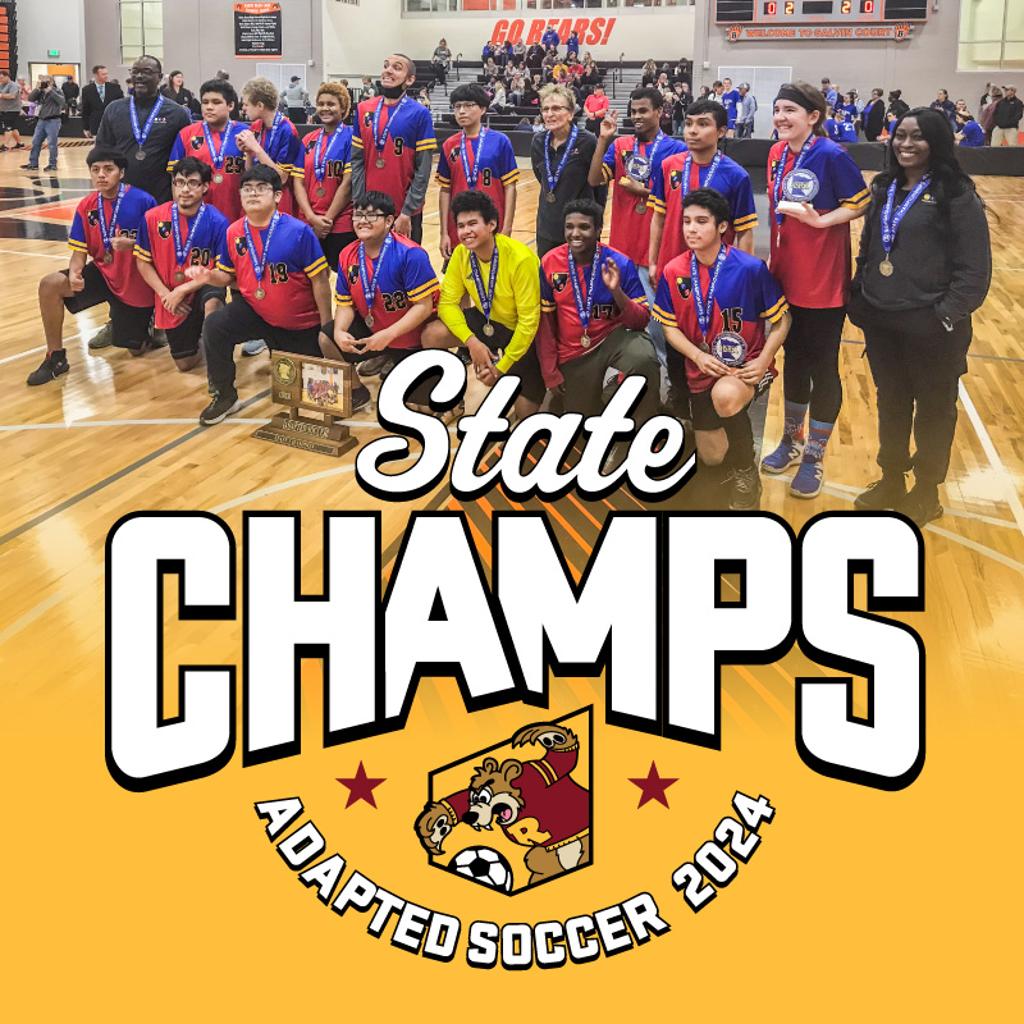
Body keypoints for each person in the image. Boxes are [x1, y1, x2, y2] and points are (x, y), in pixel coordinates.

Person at [849, 108, 991, 526]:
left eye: (917, 137)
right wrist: (861, 295)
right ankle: (891, 478)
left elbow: (974, 271)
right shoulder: (884, 186)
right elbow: (870, 248)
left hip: (934, 329)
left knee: (933, 410)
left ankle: (926, 490)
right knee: (891, 404)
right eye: (900, 135)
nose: (906, 144)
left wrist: (944, 316)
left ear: (937, 142)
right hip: (883, 323)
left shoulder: (956, 193)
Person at [760, 82, 869, 498]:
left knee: (823, 366)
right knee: (794, 361)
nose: (781, 117)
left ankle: (815, 457)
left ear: (813, 117)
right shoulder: (775, 154)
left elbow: (859, 201)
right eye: (778, 109)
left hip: (823, 281)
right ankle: (791, 441)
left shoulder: (831, 154)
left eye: (790, 110)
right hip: (785, 276)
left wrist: (823, 222)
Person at [653, 188, 791, 509]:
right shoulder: (674, 271)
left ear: (722, 227)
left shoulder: (749, 269)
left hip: (744, 368)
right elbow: (669, 327)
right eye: (687, 221)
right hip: (701, 369)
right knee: (712, 457)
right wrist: (698, 355)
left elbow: (783, 322)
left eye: (701, 221)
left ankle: (746, 471)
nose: (691, 228)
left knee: (726, 399)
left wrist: (765, 359)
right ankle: (736, 442)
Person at [193, 164, 334, 425]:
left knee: (310, 393)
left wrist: (326, 327)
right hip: (255, 311)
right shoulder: (234, 232)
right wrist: (209, 276)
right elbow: (227, 276)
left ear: (278, 196)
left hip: (298, 322)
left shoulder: (298, 231)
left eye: (261, 188)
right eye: (247, 189)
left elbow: (320, 281)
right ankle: (224, 395)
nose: (253, 194)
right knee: (215, 325)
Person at [27, 148, 156, 386]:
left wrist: (134, 244)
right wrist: (75, 272)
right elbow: (79, 252)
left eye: (108, 169)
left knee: (135, 350)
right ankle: (55, 357)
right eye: (95, 170)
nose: (101, 175)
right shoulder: (87, 205)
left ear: (122, 172)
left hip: (135, 280)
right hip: (102, 274)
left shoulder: (143, 201)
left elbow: (160, 248)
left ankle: (151, 323)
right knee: (50, 284)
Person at [422, 190, 544, 420]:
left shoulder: (521, 259)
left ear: (491, 225)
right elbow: (447, 304)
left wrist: (500, 368)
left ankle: (542, 390)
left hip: (520, 333)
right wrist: (472, 342)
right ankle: (451, 400)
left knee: (524, 416)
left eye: (472, 224)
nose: (466, 232)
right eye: (460, 226)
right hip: (486, 321)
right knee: (432, 334)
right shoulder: (460, 254)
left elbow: (529, 324)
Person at [537, 199, 659, 425]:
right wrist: (550, 371)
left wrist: (617, 292)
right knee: (581, 423)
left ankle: (645, 425)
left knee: (643, 355)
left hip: (612, 342)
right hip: (574, 353)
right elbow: (545, 324)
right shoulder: (550, 263)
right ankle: (608, 391)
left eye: (584, 227)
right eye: (569, 227)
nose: (575, 233)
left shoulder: (619, 263)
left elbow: (641, 321)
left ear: (598, 231)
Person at [588, 88, 686, 370]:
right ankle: (624, 373)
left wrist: (642, 190)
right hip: (621, 248)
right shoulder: (620, 146)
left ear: (659, 112)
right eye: (633, 111)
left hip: (655, 252)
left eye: (643, 110)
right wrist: (603, 139)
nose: (637, 116)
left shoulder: (676, 150)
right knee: (620, 315)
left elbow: (675, 198)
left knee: (656, 320)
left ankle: (663, 378)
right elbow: (595, 179)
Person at [324, 190, 440, 409]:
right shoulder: (347, 254)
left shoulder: (410, 254)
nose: (363, 221)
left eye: (371, 216)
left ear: (389, 221)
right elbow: (345, 304)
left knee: (417, 408)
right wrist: (340, 331)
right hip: (375, 331)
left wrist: (388, 335)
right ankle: (357, 392)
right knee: (327, 338)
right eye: (358, 215)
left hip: (411, 339)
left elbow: (423, 307)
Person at [133, 157, 229, 373]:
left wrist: (183, 289)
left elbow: (221, 272)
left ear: (205, 187)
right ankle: (203, 341)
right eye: (179, 182)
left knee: (213, 300)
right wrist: (166, 295)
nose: (185, 189)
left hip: (202, 285)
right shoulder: (152, 218)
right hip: (169, 293)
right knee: (184, 364)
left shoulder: (218, 222)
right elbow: (143, 262)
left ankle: (218, 354)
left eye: (193, 183)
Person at [352, 54, 436, 245]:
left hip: (404, 212)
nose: (388, 70)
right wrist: (359, 204)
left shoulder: (419, 113)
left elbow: (422, 170)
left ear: (410, 79)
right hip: (369, 208)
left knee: (405, 268)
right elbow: (357, 161)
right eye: (386, 65)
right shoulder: (363, 108)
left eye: (397, 67)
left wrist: (407, 211)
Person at [436, 83, 518, 262]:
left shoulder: (500, 141)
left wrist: (507, 228)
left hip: (491, 223)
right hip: (459, 227)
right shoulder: (449, 145)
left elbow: (510, 187)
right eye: (457, 107)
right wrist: (444, 233)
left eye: (468, 105)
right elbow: (445, 190)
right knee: (460, 282)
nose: (462, 111)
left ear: (482, 109)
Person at [95, 54, 191, 203]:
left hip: (162, 196)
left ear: (159, 77)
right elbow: (102, 151)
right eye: (135, 71)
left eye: (146, 71)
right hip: (121, 195)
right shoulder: (114, 109)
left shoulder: (177, 113)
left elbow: (185, 158)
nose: (139, 76)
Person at [292, 82, 355, 269]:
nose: (325, 108)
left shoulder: (352, 137)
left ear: (343, 107)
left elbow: (348, 184)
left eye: (331, 104)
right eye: (321, 104)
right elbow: (298, 181)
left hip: (340, 221)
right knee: (312, 277)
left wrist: (327, 220)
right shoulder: (308, 140)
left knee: (344, 274)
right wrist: (312, 218)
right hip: (309, 221)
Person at [531, 84, 598, 257]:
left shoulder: (588, 142)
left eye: (556, 108)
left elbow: (599, 186)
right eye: (545, 109)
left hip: (579, 228)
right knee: (548, 278)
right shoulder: (538, 142)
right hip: (547, 226)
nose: (549, 114)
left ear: (570, 113)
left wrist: (596, 222)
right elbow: (542, 178)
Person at [168, 79, 246, 225]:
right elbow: (175, 178)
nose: (209, 107)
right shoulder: (186, 134)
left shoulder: (245, 133)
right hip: (196, 213)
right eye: (205, 102)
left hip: (236, 213)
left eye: (216, 102)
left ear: (230, 105)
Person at [237, 76, 301, 217]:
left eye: (246, 104)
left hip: (278, 198)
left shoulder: (288, 130)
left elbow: (281, 178)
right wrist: (248, 151)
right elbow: (250, 170)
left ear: (260, 105)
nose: (243, 109)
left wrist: (256, 148)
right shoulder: (256, 126)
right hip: (256, 194)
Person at [22, 77, 65, 172]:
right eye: (43, 81)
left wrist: (50, 91)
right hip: (41, 120)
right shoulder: (40, 92)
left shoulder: (58, 91)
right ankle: (33, 163)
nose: (45, 83)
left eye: (47, 81)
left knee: (52, 144)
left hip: (53, 120)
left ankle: (52, 164)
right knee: (35, 142)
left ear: (52, 82)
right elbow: (30, 99)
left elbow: (62, 102)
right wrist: (37, 88)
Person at [80, 65, 123, 138]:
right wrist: (86, 127)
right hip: (96, 126)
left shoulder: (115, 88)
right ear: (96, 75)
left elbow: (121, 107)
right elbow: (86, 110)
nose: (106, 76)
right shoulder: (87, 90)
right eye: (103, 74)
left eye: (107, 73)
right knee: (98, 148)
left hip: (113, 125)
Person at [0, 69, 25, 151]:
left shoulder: (13, 85)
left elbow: (12, 96)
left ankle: (5, 145)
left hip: (12, 109)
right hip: (4, 109)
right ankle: (20, 143)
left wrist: (1, 95)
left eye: (2, 78)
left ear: (7, 77)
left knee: (8, 127)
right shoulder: (1, 85)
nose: (1, 79)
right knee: (14, 127)